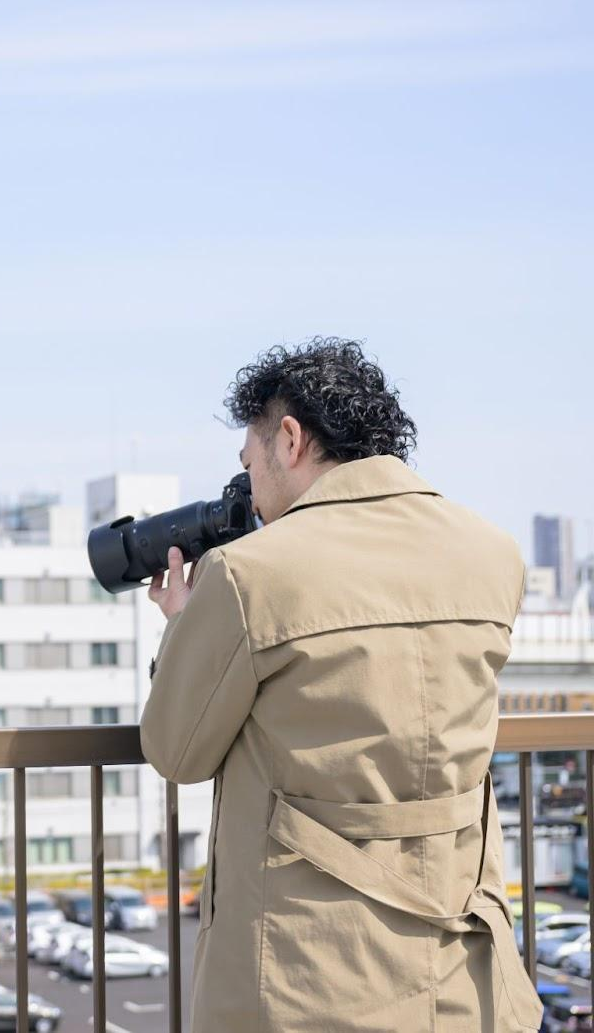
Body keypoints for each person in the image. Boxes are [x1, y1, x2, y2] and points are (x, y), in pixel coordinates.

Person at [140, 338, 541, 1032]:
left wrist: (182, 626)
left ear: (288, 439)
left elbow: (178, 752)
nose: (252, 495)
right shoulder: (492, 552)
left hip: (305, 986)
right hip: (463, 975)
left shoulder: (250, 574)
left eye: (249, 466)